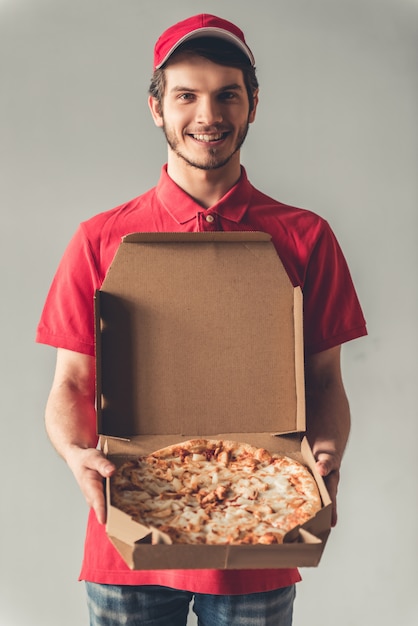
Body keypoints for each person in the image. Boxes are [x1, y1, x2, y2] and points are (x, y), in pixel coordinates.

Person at [36, 13, 367, 626]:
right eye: (186, 95)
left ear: (253, 105)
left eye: (227, 94)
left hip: (264, 534)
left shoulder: (306, 237)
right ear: (156, 108)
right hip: (126, 543)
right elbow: (71, 386)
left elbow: (324, 383)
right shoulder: (99, 240)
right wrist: (75, 453)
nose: (208, 114)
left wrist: (326, 454)